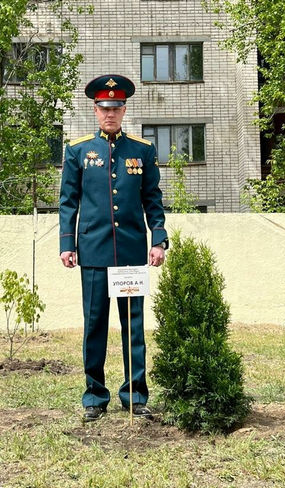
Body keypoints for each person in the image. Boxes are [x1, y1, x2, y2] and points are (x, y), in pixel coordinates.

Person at [58, 74, 168, 422]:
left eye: (116, 107)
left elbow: (152, 198)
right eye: (104, 107)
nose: (110, 113)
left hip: (132, 252)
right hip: (93, 251)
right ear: (95, 110)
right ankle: (94, 396)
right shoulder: (77, 151)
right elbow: (68, 202)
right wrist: (67, 244)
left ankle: (135, 395)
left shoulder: (142, 150)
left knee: (133, 326)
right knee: (94, 325)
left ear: (124, 110)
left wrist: (158, 239)